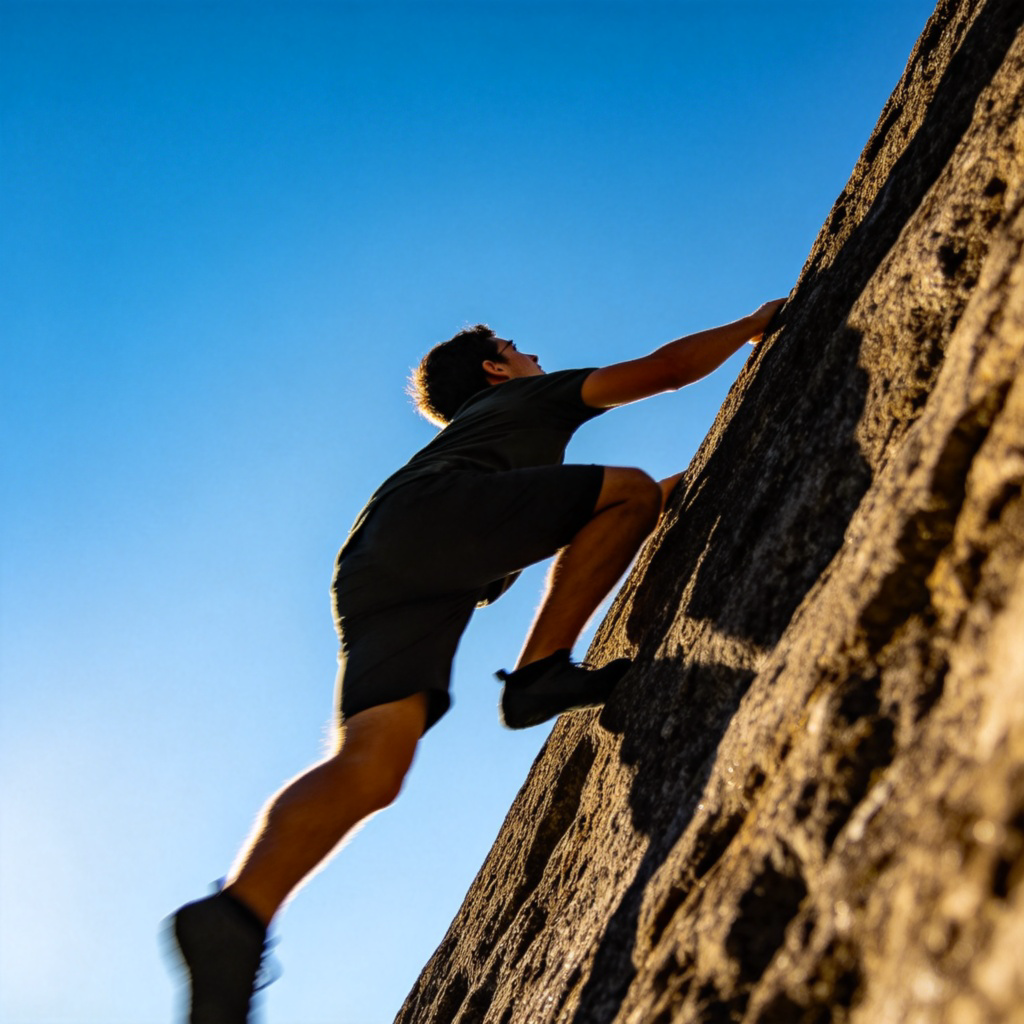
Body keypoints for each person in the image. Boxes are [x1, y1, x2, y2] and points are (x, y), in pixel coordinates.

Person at [166, 298, 786, 1023]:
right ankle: (537, 674)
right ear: (496, 370)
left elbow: (598, 515)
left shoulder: (481, 443)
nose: (532, 356)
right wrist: (755, 323)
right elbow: (667, 372)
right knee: (622, 485)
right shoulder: (528, 399)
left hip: (377, 563)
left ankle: (237, 914)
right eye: (517, 348)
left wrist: (661, 495)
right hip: (428, 525)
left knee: (373, 764)